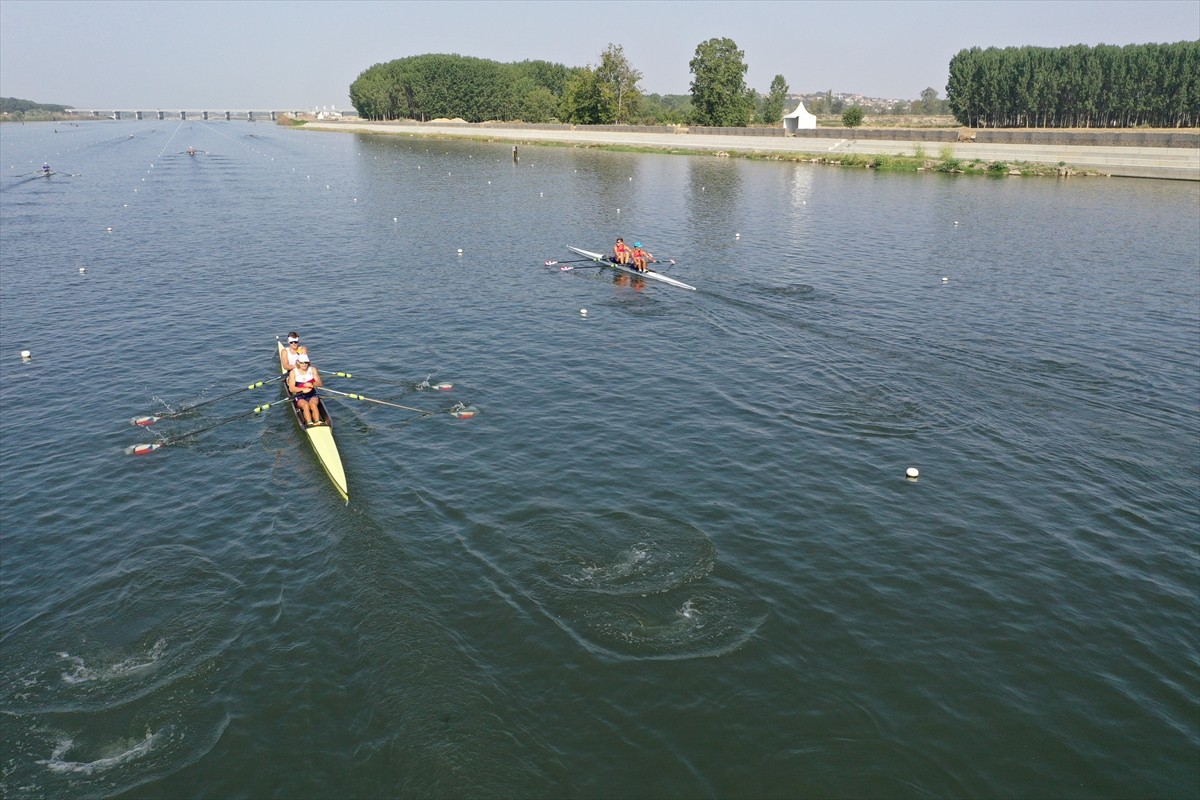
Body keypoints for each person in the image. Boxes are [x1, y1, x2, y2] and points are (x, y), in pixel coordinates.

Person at [287, 353, 325, 426]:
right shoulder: (293, 372)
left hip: (312, 394)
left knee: (313, 405)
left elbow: (319, 383)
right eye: (302, 362)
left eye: (306, 362)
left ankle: (318, 422)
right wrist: (302, 389)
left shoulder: (312, 369)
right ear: (298, 362)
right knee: (306, 405)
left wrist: (312, 384)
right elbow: (291, 389)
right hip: (300, 395)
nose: (304, 364)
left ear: (308, 362)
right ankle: (309, 423)